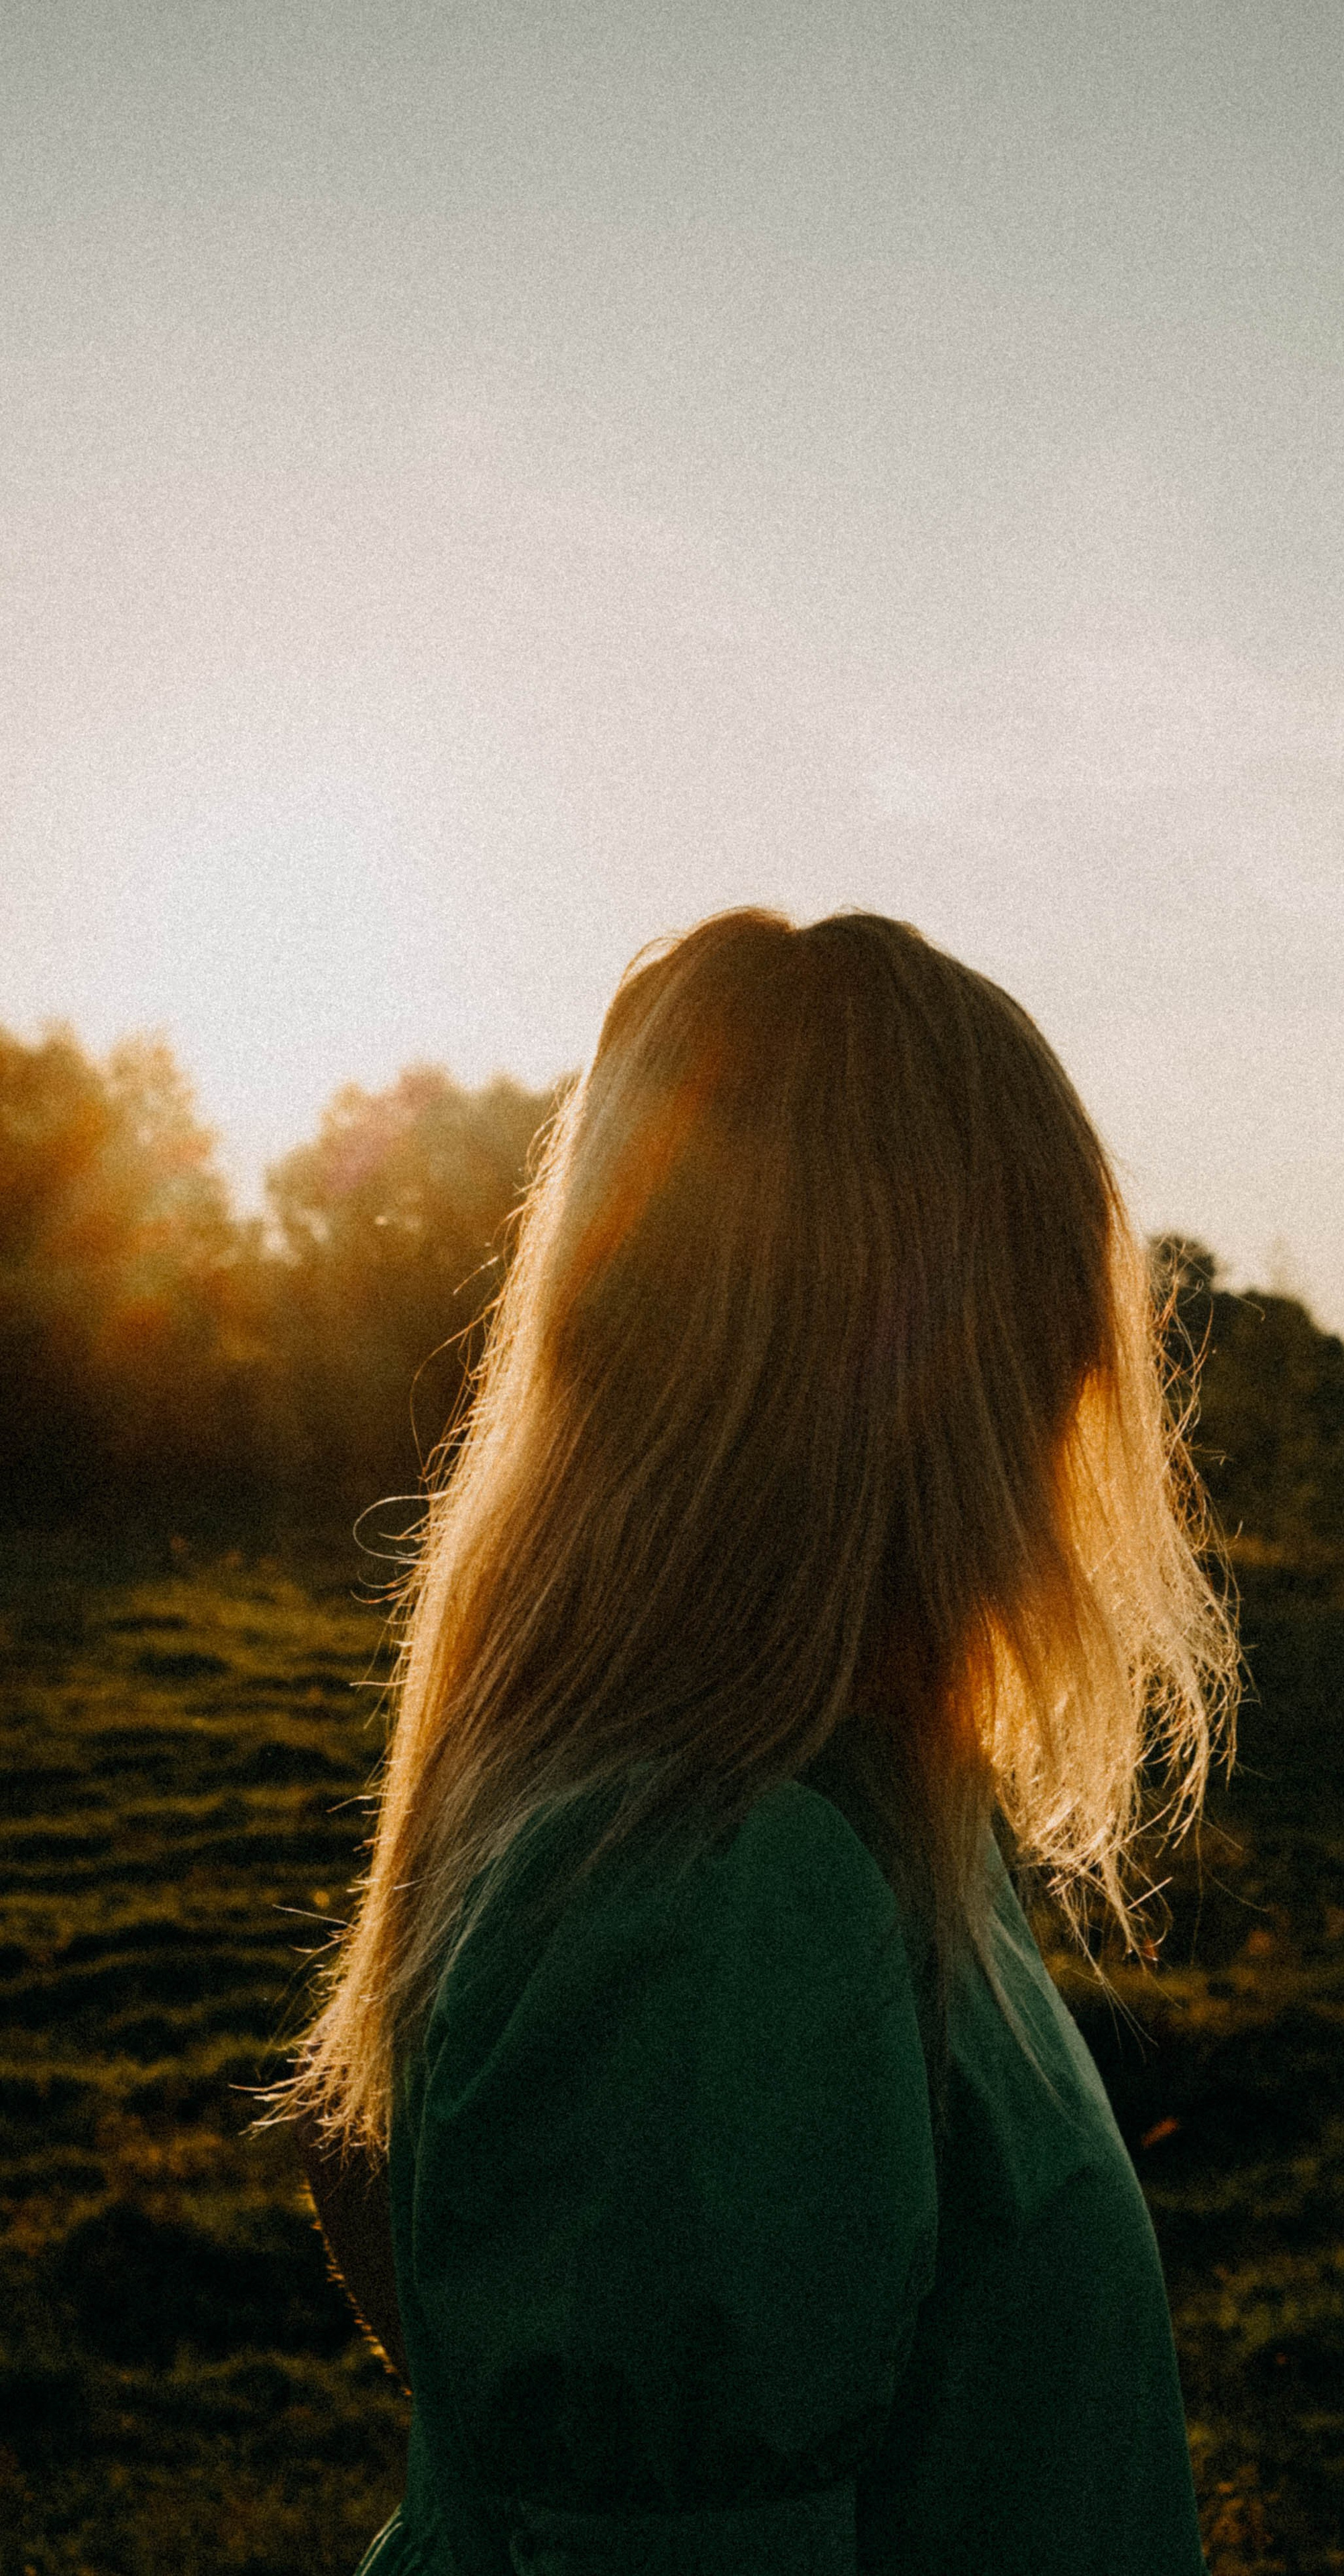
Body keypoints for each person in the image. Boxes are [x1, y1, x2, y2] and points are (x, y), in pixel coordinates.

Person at [273, 907, 1241, 2575]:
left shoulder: (870, 1812)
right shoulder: (721, 1897)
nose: (1098, 1366)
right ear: (928, 1365)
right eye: (1051, 1293)